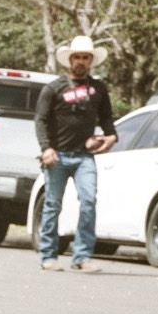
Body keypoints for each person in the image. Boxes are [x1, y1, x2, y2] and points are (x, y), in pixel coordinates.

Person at [34, 35, 119, 274]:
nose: (81, 61)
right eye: (77, 57)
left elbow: (107, 119)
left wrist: (112, 136)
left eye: (85, 57)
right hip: (57, 156)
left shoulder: (98, 89)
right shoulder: (54, 88)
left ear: (91, 60)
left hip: (84, 156)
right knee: (52, 205)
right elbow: (40, 120)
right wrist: (46, 148)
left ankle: (82, 256)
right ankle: (48, 255)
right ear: (69, 60)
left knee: (89, 201)